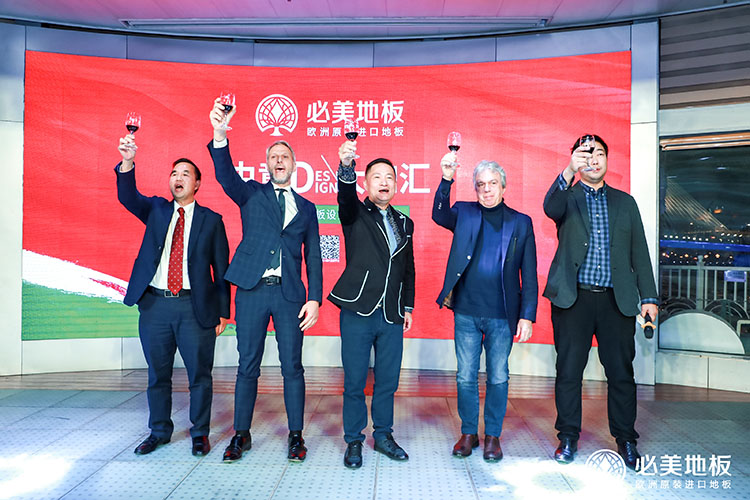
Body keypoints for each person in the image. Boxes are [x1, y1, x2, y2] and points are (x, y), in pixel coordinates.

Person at [207, 99, 322, 463]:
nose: (279, 161)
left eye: (284, 156)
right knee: (247, 365)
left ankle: (296, 436)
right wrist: (220, 134)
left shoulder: (307, 208)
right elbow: (225, 175)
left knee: (293, 367)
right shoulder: (251, 194)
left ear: (294, 164)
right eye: (273, 156)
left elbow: (314, 257)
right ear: (267, 164)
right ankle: (241, 434)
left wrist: (315, 298)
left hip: (290, 296)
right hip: (252, 291)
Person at [543, 135, 659, 469]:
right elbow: (550, 207)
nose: (593, 160)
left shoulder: (625, 203)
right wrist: (569, 171)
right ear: (576, 159)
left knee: (621, 373)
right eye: (585, 154)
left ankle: (625, 439)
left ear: (608, 159)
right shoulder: (567, 198)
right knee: (568, 371)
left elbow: (639, 251)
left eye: (599, 154)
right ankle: (568, 437)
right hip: (573, 299)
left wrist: (648, 297)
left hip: (615, 301)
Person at [115, 133, 230, 457]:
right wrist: (127, 162)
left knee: (199, 376)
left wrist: (223, 311)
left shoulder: (212, 221)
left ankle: (200, 433)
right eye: (174, 173)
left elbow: (222, 270)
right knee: (158, 375)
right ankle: (159, 431)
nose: (178, 178)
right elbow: (127, 197)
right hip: (155, 306)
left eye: (185, 174)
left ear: (197, 184)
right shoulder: (155, 210)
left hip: (195, 308)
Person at [433, 153, 538, 461]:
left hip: (502, 315)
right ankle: (469, 433)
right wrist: (446, 179)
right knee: (465, 376)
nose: (487, 189)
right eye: (481, 184)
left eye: (493, 183)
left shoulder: (521, 222)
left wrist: (527, 316)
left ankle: (493, 436)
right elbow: (439, 215)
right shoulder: (464, 212)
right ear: (475, 188)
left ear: (503, 187)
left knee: (498, 376)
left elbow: (529, 274)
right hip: (466, 311)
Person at [328, 139, 415, 469]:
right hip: (358, 310)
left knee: (387, 381)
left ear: (396, 184)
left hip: (391, 314)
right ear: (366, 183)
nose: (384, 182)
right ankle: (354, 440)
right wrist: (346, 168)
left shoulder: (404, 222)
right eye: (377, 176)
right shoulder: (355, 214)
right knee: (354, 381)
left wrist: (408, 307)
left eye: (389, 177)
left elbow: (409, 268)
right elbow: (345, 196)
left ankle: (383, 436)